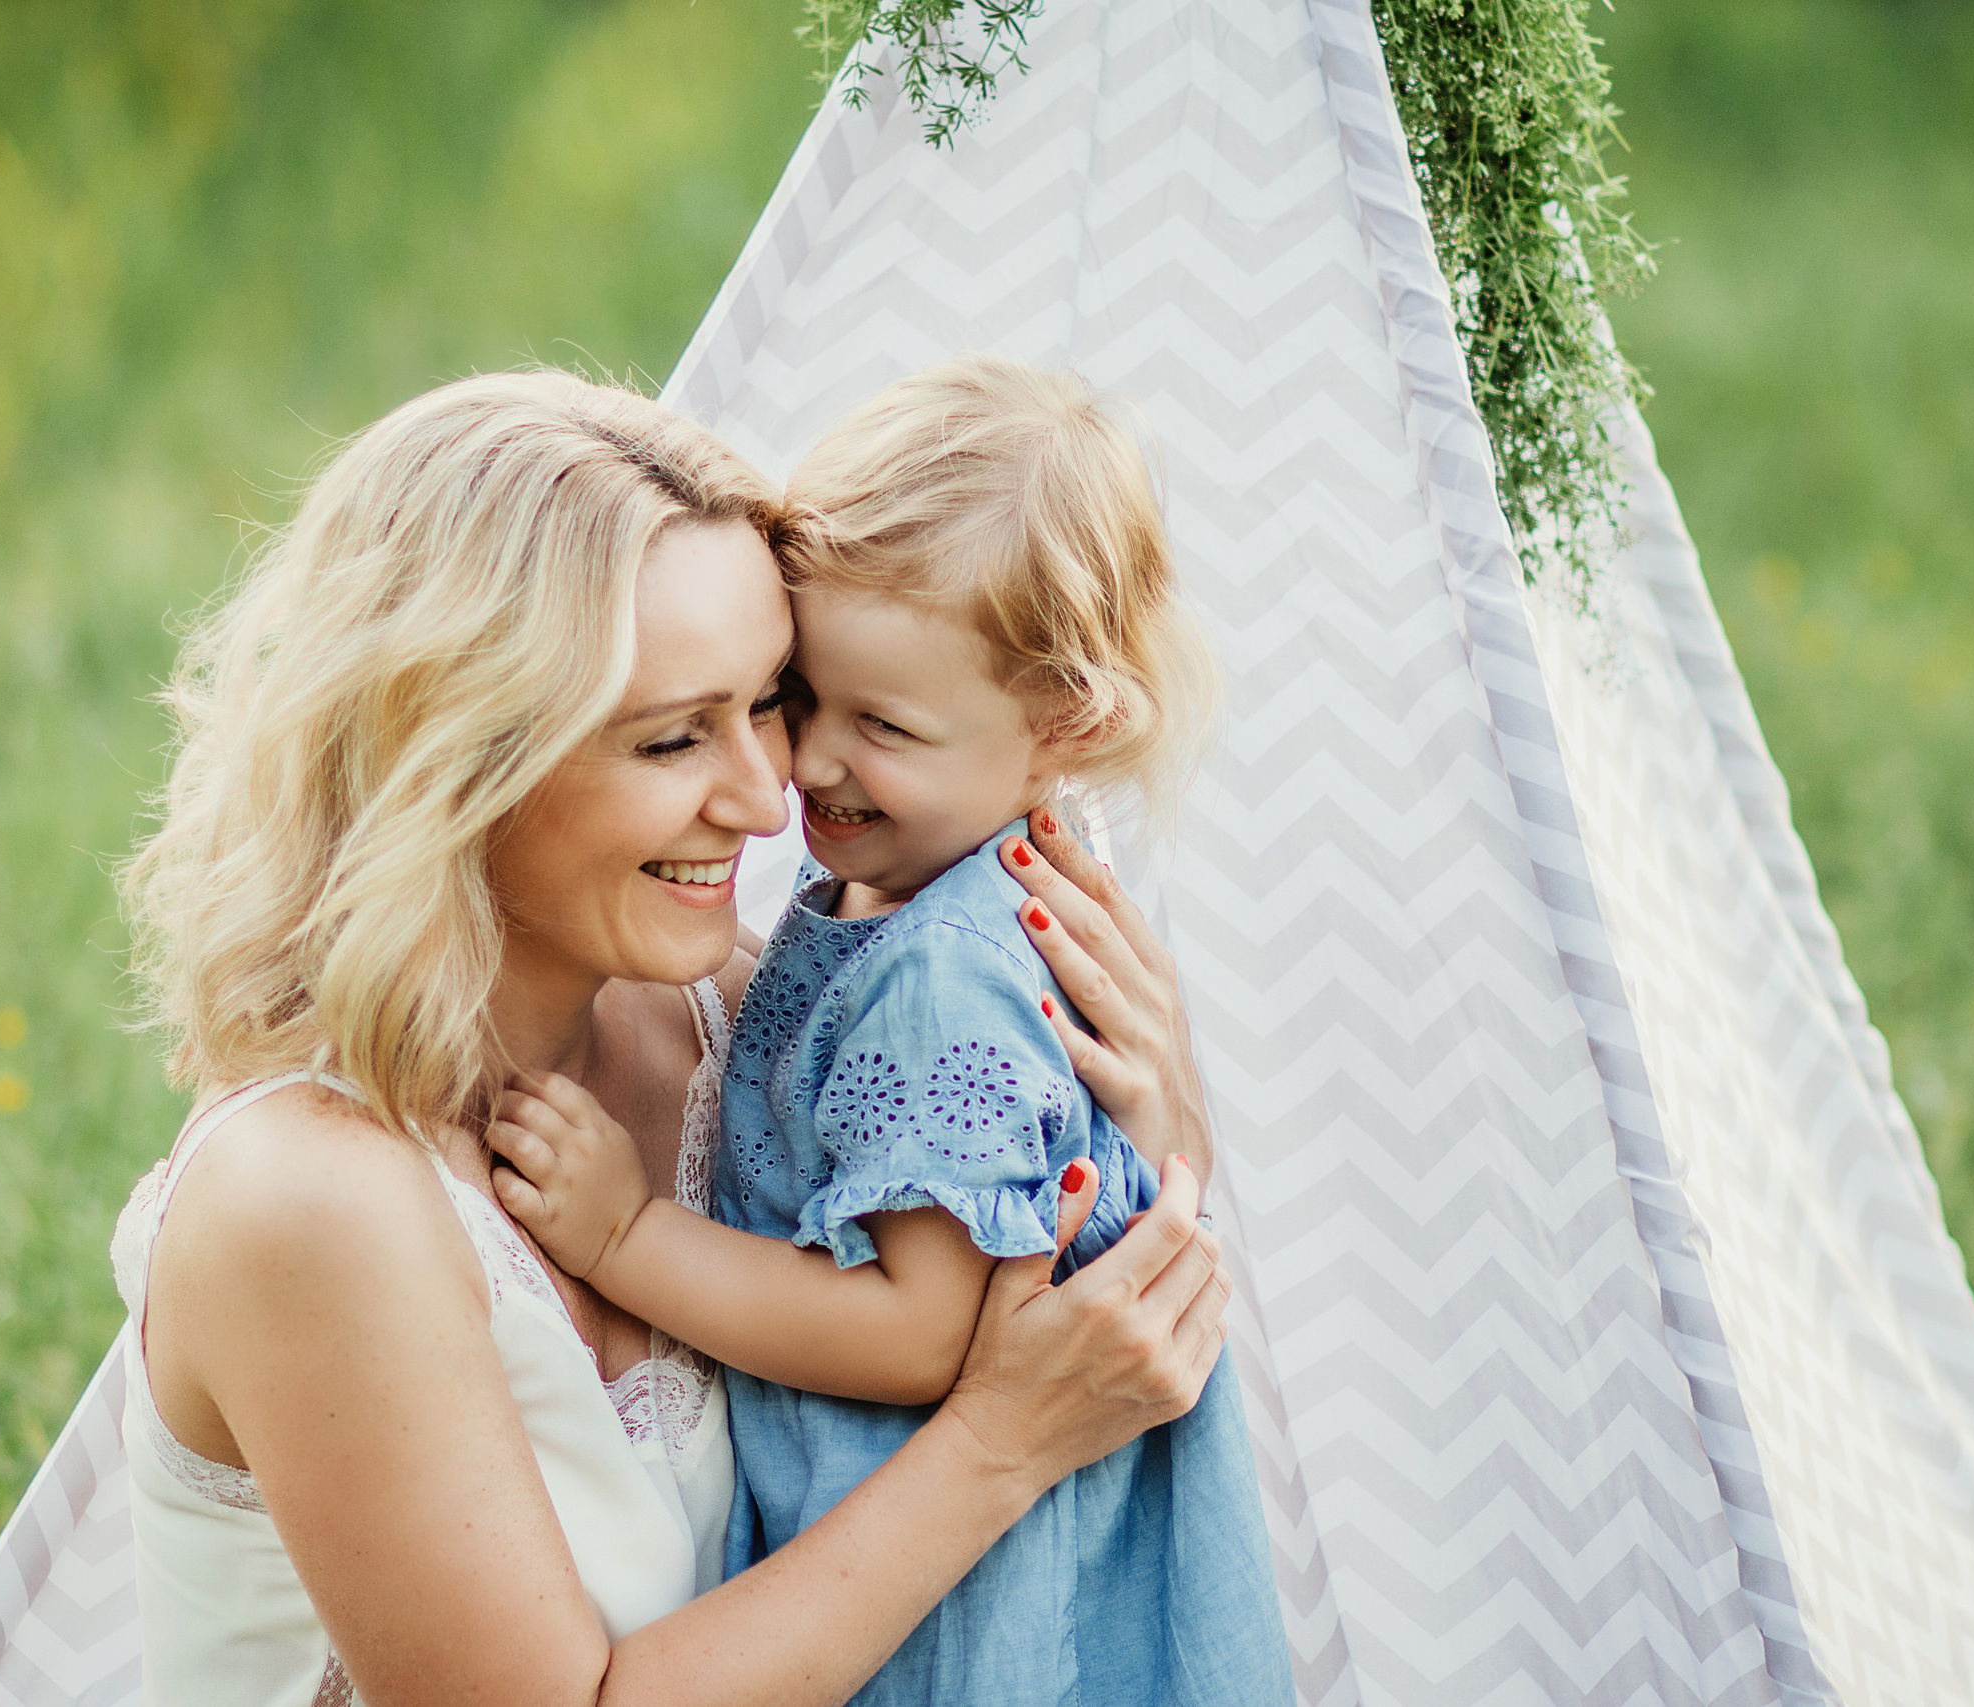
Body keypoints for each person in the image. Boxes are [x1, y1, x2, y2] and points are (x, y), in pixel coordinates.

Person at [109, 369, 1236, 1707]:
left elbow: (1004, 1241)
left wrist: (1152, 1134)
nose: (772, 798)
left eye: (771, 697)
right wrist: (1001, 1444)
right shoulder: (311, 1197)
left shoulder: (738, 1035)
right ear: (456, 764)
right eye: (668, 741)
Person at [492, 358, 1291, 1705]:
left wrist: (627, 1239)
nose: (803, 766)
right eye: (804, 696)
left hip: (952, 1618)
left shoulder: (938, 981)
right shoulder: (948, 867)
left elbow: (919, 1333)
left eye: (886, 726)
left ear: (1064, 726)